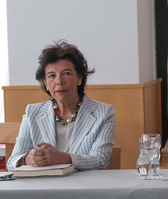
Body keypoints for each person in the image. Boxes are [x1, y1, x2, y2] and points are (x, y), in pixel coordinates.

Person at [7, 41, 116, 171]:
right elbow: (12, 162)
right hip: (42, 187)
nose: (59, 81)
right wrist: (27, 159)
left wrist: (62, 158)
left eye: (66, 73)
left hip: (83, 188)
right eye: (52, 76)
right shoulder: (32, 112)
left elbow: (100, 160)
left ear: (79, 78)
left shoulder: (103, 113)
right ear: (46, 83)